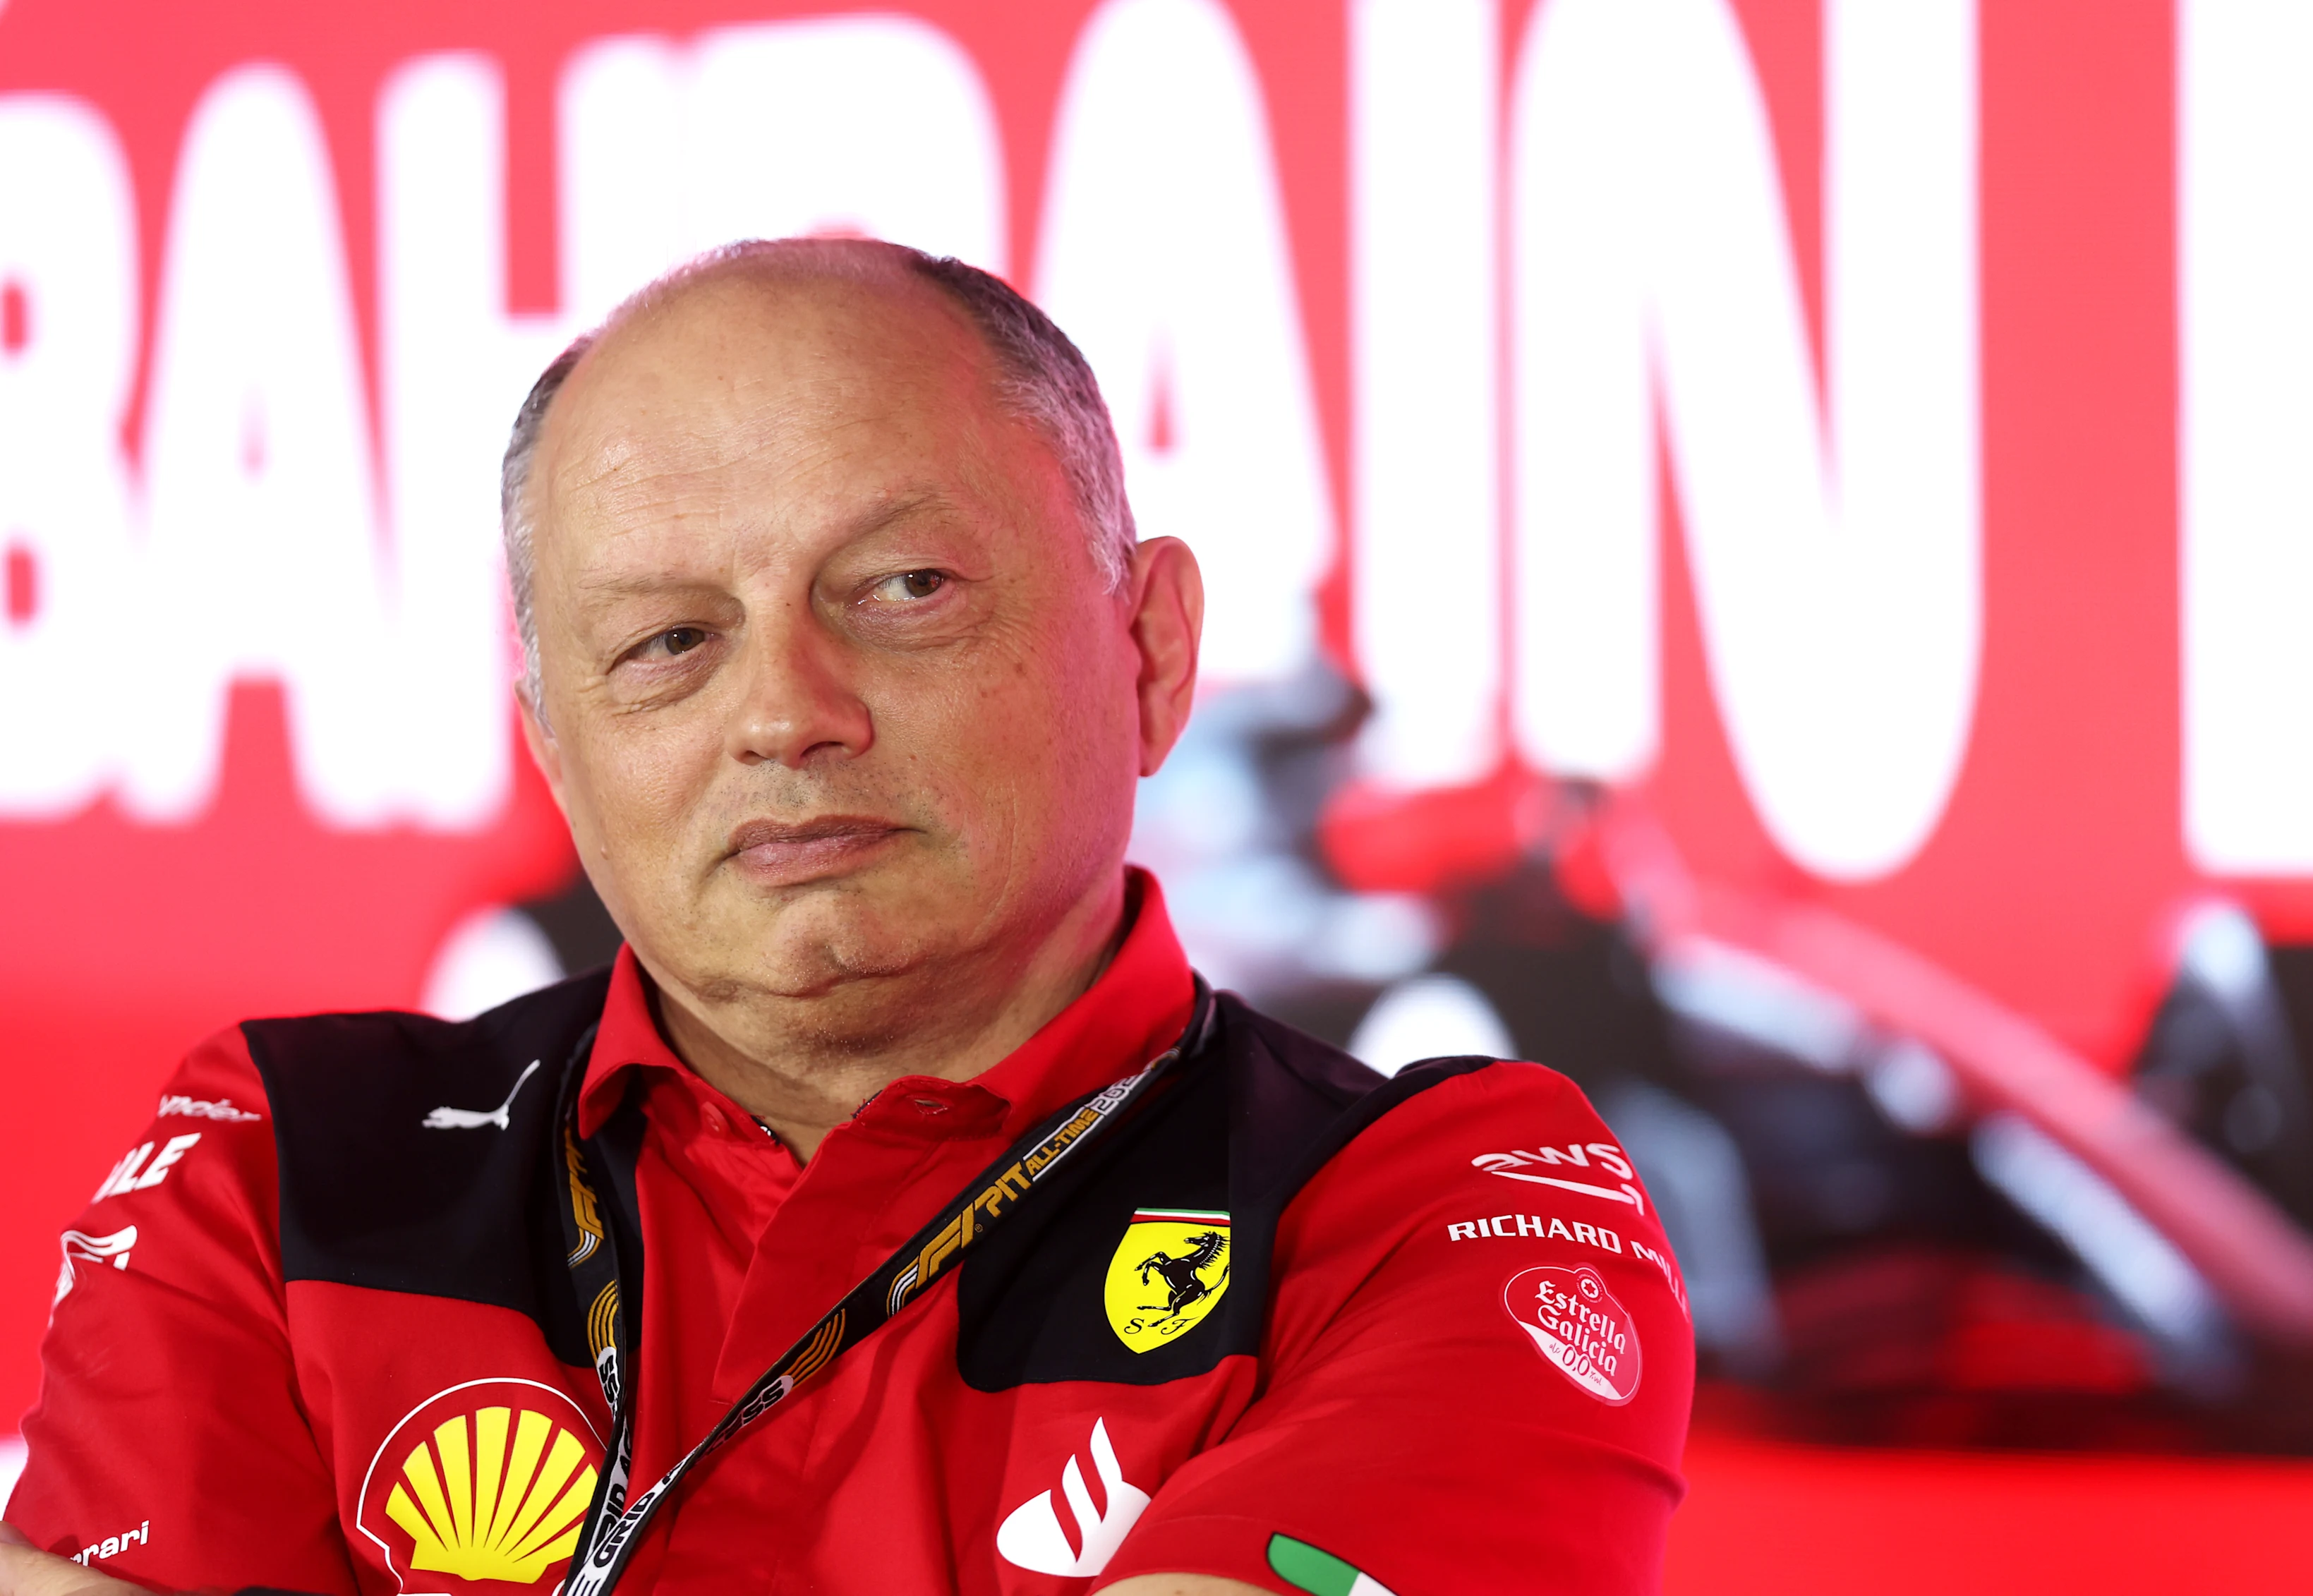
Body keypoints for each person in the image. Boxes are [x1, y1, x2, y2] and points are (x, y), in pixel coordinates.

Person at [1, 239, 1691, 1596]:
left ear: (1151, 649)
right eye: (668, 641)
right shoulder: (279, 1167)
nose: (785, 713)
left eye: (904, 591)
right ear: (558, 753)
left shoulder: (1448, 1212)